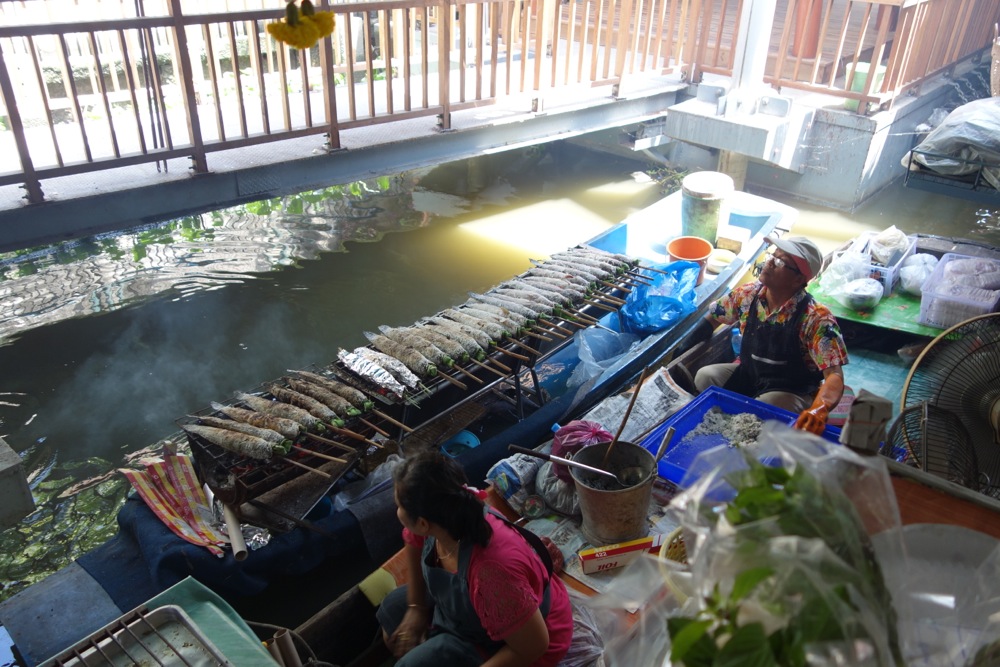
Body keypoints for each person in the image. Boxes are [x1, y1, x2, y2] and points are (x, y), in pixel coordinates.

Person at [377, 450, 575, 667]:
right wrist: (417, 607)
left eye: (399, 506)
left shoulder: (491, 574)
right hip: (470, 611)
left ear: (423, 523)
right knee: (392, 609)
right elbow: (413, 541)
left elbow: (534, 646)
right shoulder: (446, 513)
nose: (397, 511)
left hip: (523, 641)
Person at [686, 235, 848, 435]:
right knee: (705, 376)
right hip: (750, 375)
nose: (769, 262)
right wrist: (684, 347)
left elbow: (834, 375)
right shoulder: (749, 295)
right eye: (772, 255)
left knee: (767, 405)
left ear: (798, 279)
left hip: (791, 389)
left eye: (780, 262)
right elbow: (714, 316)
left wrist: (819, 408)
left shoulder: (817, 319)